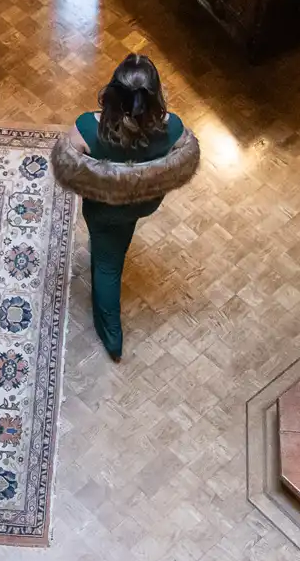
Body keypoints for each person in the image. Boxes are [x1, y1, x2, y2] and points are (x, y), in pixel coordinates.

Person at [51, 54, 200, 361]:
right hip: (142, 204)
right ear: (155, 94)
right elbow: (181, 153)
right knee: (118, 241)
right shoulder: (173, 129)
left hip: (103, 208)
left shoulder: (87, 127)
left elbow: (68, 161)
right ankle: (109, 250)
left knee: (108, 265)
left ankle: (112, 338)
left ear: (113, 93)